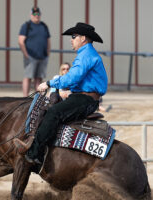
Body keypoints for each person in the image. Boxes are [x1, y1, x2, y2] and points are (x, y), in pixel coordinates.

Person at [16, 22, 108, 166]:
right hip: (83, 97)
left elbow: (72, 78)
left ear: (83, 38)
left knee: (53, 113)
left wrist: (49, 83)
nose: (71, 39)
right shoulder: (87, 54)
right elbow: (73, 79)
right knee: (49, 108)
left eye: (73, 36)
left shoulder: (86, 55)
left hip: (85, 99)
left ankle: (35, 154)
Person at [18, 6, 51, 97]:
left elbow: (48, 40)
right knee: (28, 77)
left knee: (39, 78)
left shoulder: (44, 26)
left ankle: (38, 97)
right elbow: (21, 41)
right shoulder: (26, 26)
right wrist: (26, 54)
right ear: (31, 15)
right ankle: (25, 97)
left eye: (38, 14)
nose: (36, 16)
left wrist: (47, 53)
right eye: (34, 14)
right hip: (31, 57)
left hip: (42, 57)